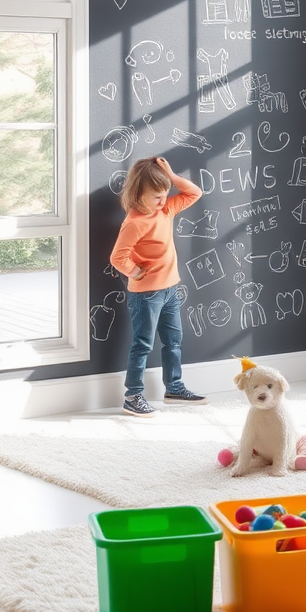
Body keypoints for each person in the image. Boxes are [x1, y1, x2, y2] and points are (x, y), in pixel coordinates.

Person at [109, 155, 206, 416]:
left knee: (173, 341)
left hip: (171, 290)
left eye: (165, 194)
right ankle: (133, 396)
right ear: (138, 194)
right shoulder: (135, 223)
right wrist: (135, 271)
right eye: (156, 196)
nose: (163, 201)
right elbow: (118, 256)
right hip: (147, 295)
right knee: (142, 344)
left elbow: (195, 192)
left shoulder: (165, 210)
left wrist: (172, 177)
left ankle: (174, 387)